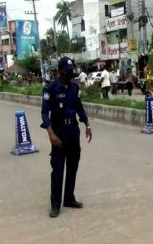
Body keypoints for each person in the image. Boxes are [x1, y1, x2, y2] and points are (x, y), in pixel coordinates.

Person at [40, 56, 92, 218]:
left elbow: (79, 107)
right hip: (59, 132)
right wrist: (51, 133)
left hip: (73, 131)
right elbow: (44, 112)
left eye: (71, 72)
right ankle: (55, 204)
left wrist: (87, 124)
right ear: (59, 71)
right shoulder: (50, 89)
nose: (68, 75)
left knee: (73, 165)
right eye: (66, 72)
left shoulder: (74, 88)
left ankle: (69, 198)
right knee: (58, 169)